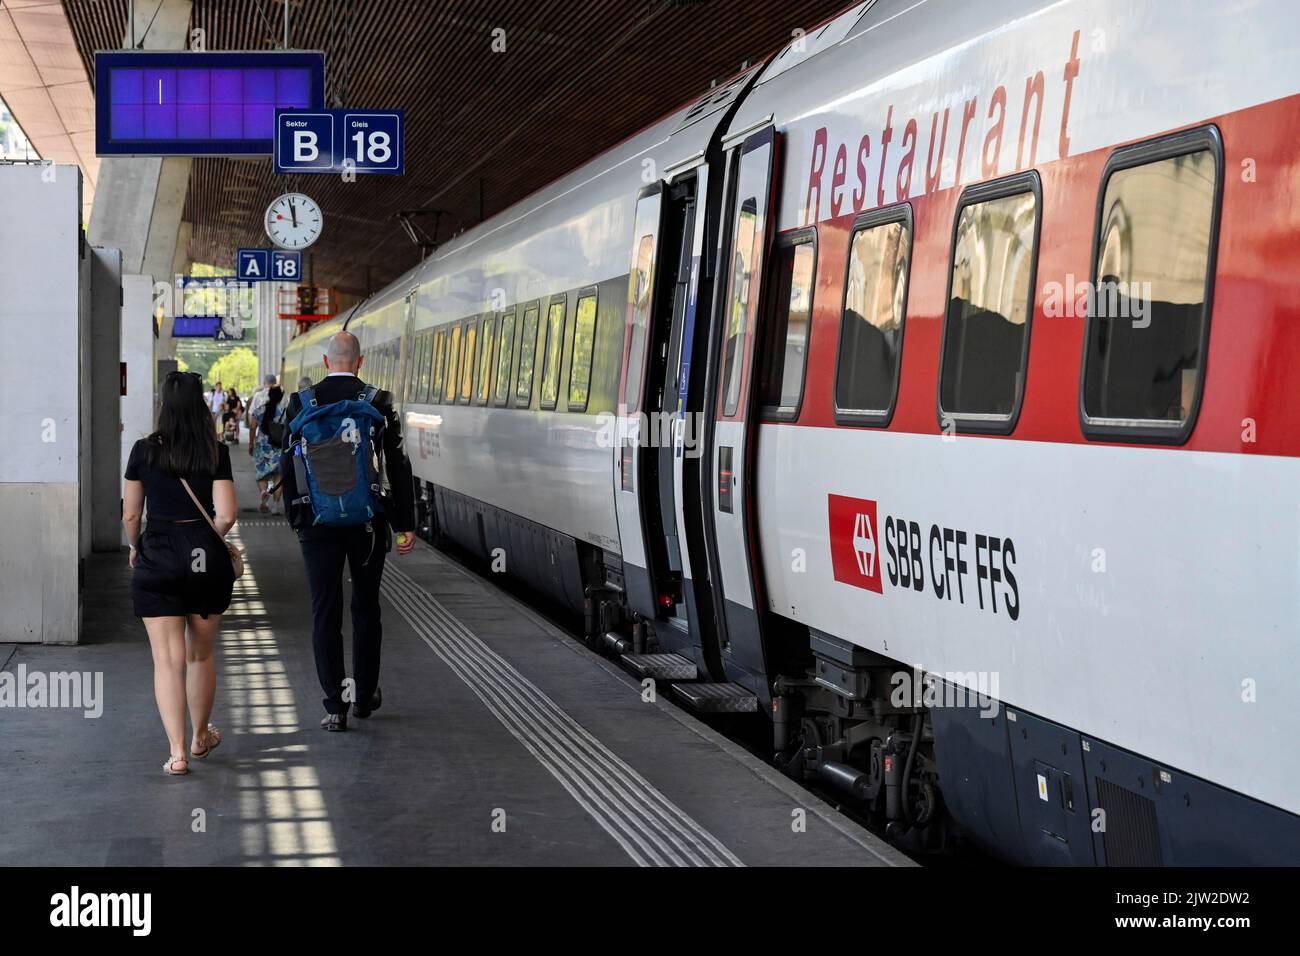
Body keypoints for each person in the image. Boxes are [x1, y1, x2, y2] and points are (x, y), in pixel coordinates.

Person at [281, 332, 416, 732]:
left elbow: (290, 466)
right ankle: (364, 696)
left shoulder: (301, 403)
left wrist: (297, 516)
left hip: (316, 524)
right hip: (367, 522)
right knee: (365, 606)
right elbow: (398, 463)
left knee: (325, 611)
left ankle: (334, 706)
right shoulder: (378, 402)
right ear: (360, 363)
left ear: (325, 363)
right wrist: (405, 524)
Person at [123, 371, 238, 775]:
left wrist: (137, 547)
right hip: (203, 561)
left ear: (163, 405)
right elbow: (226, 514)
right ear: (200, 405)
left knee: (167, 660)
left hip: (157, 557)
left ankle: (177, 754)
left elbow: (132, 513)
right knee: (199, 654)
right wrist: (208, 540)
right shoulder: (214, 451)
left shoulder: (142, 452)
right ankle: (201, 735)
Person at [251, 385, 287, 513]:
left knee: (261, 475)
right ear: (281, 397)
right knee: (278, 476)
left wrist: (251, 444)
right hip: (279, 447)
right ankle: (276, 507)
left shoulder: (260, 410)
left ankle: (263, 492)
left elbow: (252, 427)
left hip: (262, 447)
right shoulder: (285, 410)